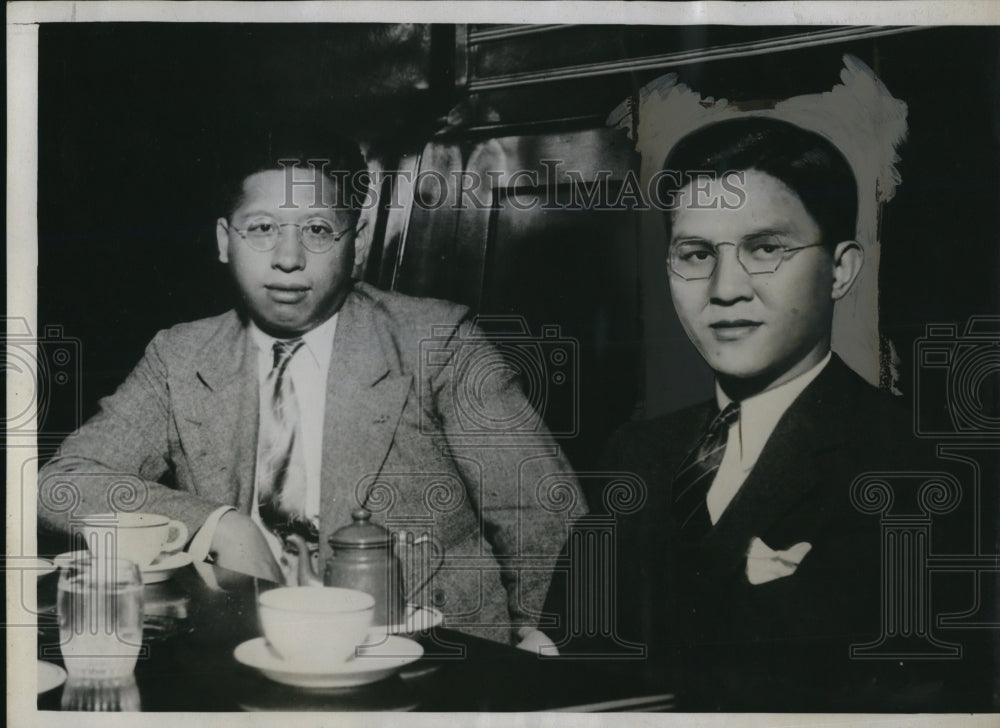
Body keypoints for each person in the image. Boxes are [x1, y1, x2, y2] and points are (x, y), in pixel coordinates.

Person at [37, 130, 583, 648]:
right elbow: (61, 483)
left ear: (357, 242)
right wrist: (218, 526)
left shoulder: (437, 343)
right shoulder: (180, 356)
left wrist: (538, 656)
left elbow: (544, 515)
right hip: (247, 651)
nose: (288, 258)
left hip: (425, 658)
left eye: (317, 230)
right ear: (225, 241)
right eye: (262, 228)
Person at [551, 117, 979, 709]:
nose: (725, 288)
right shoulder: (636, 453)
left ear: (840, 270)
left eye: (766, 249)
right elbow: (566, 645)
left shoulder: (921, 468)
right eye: (696, 254)